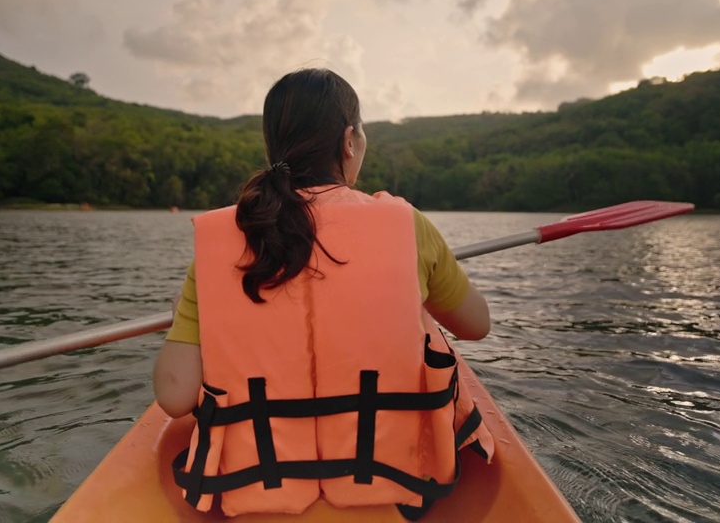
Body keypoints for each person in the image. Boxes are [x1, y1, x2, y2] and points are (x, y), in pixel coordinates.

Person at [152, 68, 494, 518]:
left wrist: (190, 317)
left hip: (255, 496)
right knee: (423, 324)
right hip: (396, 492)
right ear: (349, 141)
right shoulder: (407, 226)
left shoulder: (224, 244)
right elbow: (476, 325)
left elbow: (175, 397)